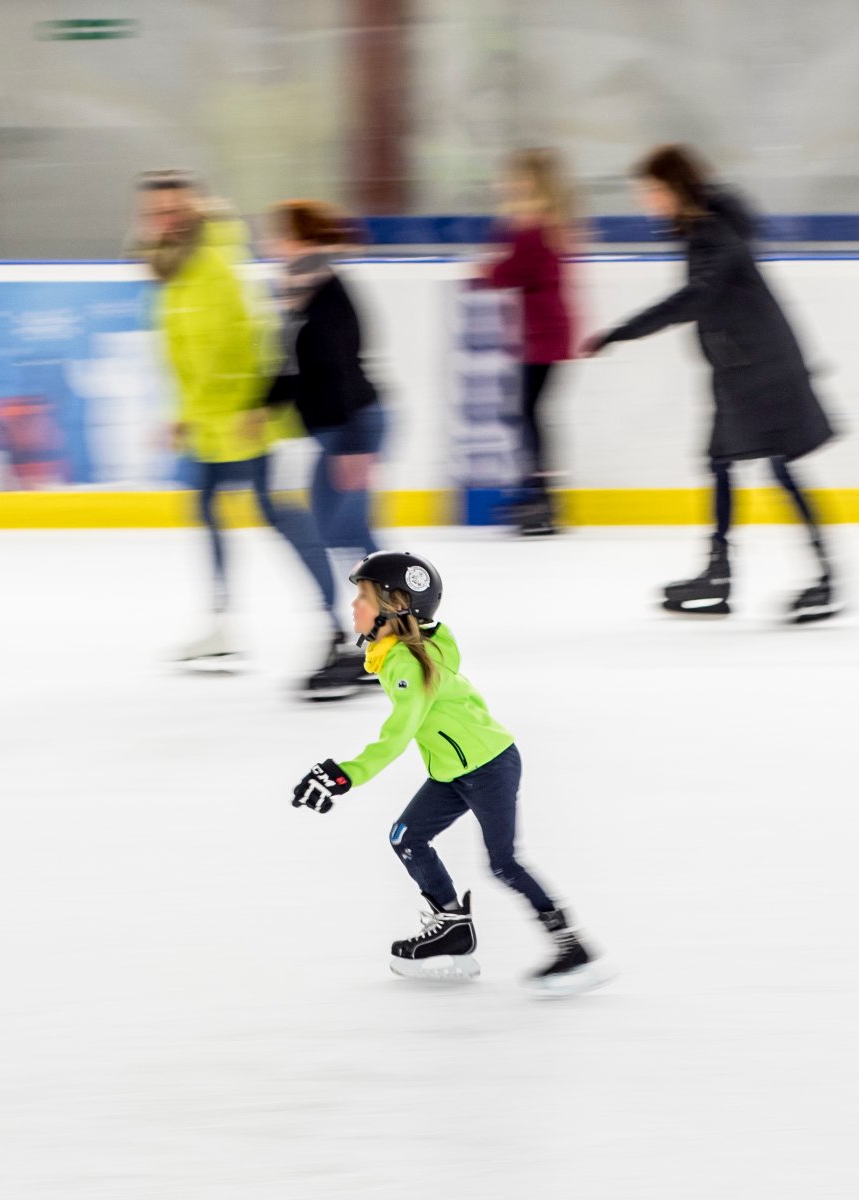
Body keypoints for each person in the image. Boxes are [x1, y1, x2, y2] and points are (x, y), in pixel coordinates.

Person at [289, 551, 612, 996]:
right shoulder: (407, 649)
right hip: (452, 771)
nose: (354, 606)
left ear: (396, 606)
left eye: (363, 596)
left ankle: (572, 947)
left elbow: (396, 736)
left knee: (503, 862)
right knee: (406, 837)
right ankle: (453, 928)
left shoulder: (409, 665)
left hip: (490, 764)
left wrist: (345, 775)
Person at [583, 145, 838, 622]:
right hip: (738, 367)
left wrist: (622, 331)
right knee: (720, 461)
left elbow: (695, 297)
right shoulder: (699, 228)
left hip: (765, 367)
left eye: (651, 191)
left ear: (674, 188)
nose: (646, 201)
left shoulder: (713, 231)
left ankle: (828, 577)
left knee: (781, 467)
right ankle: (718, 573)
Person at [132, 170, 345, 691]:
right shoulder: (173, 272)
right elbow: (186, 352)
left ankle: (336, 623)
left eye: (174, 211)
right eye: (156, 213)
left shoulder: (216, 266)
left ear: (194, 212)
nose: (164, 221)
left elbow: (250, 346)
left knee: (276, 512)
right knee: (206, 504)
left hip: (243, 419)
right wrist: (183, 413)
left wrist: (249, 409)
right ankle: (223, 624)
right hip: (209, 420)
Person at [261, 199, 386, 691]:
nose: (272, 245)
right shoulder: (304, 290)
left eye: (280, 235)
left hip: (355, 426)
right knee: (338, 530)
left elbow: (342, 368)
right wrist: (262, 405)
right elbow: (296, 369)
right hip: (339, 430)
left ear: (302, 239)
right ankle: (384, 635)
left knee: (347, 530)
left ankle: (397, 634)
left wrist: (355, 446)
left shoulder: (330, 292)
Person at [475, 148, 578, 536]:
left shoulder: (535, 227)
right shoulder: (540, 224)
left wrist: (488, 265)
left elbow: (507, 271)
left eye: (518, 179)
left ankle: (540, 494)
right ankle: (537, 490)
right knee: (526, 412)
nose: (510, 186)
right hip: (542, 333)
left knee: (526, 412)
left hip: (543, 334)